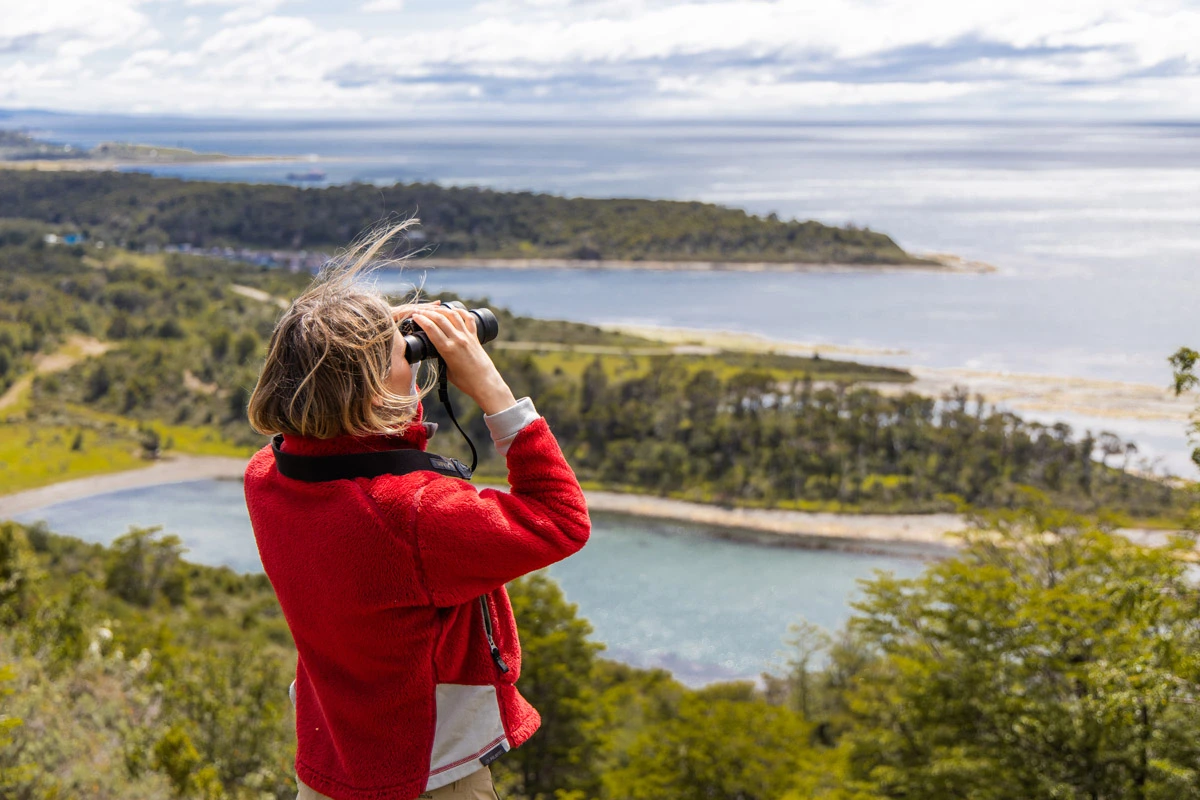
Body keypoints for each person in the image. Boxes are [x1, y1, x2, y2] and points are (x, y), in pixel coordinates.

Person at [242, 223, 591, 800]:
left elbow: (336, 438)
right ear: (376, 394)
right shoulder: (414, 515)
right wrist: (492, 390)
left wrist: (365, 336)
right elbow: (560, 519)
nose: (412, 358)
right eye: (399, 356)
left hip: (331, 768)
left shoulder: (268, 477)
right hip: (428, 776)